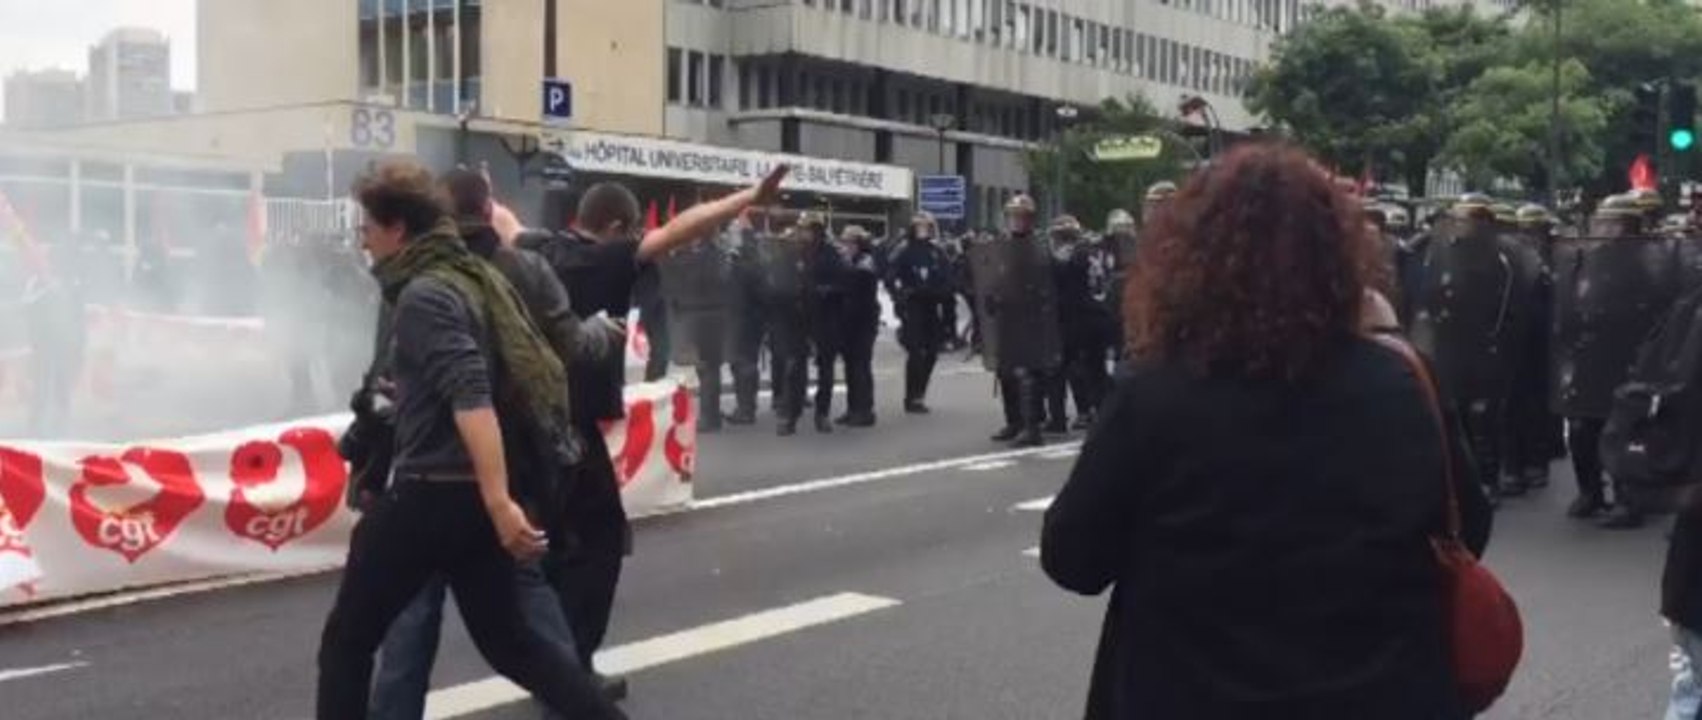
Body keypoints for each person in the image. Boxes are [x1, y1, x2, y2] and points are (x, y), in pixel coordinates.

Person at [1041, 143, 1491, 719]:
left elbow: (1074, 558)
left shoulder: (1155, 391)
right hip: (1379, 693)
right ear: (1338, 256)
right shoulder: (1403, 380)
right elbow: (1467, 528)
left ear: (1190, 259)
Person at [315, 160, 624, 720]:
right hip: (466, 502)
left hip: (433, 491)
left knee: (346, 641)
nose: (362, 240)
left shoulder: (424, 296)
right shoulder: (468, 279)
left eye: (368, 228)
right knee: (517, 647)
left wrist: (499, 501)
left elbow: (470, 394)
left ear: (398, 229)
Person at [519, 166, 787, 694]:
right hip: (569, 426)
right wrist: (749, 196)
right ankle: (570, 674)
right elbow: (686, 227)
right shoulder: (608, 257)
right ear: (618, 226)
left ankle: (548, 664)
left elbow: (500, 223)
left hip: (525, 418)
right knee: (598, 545)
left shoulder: (539, 250)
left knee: (549, 546)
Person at [976, 194, 1061, 448]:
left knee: (1027, 373)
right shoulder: (1000, 246)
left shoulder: (1041, 247)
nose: (1017, 221)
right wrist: (990, 295)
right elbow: (991, 276)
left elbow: (1050, 281)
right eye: (1013, 216)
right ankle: (1013, 422)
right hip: (1008, 317)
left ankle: (1031, 426)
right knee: (1006, 372)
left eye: (1022, 216)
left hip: (1033, 317)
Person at [1047, 214, 1114, 430]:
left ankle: (1067, 416)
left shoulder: (1072, 255)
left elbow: (1064, 283)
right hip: (1094, 315)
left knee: (1067, 368)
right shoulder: (1092, 251)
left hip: (1078, 317)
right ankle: (1096, 413)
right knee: (1091, 369)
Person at [887, 212, 953, 414]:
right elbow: (890, 277)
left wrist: (944, 293)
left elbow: (948, 277)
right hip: (913, 305)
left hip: (932, 305)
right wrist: (900, 296)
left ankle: (921, 392)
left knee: (932, 352)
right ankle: (912, 397)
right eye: (919, 227)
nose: (923, 231)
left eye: (927, 227)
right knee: (916, 352)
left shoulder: (937, 252)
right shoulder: (903, 250)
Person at [725, 214, 769, 426]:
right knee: (743, 363)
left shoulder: (745, 261)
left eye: (733, 232)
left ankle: (746, 409)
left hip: (745, 320)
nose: (729, 236)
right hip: (748, 319)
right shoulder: (752, 258)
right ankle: (746, 406)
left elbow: (747, 291)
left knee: (743, 363)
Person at [837, 224, 881, 427]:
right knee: (851, 367)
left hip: (863, 322)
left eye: (850, 242)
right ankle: (853, 408)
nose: (846, 246)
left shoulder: (865, 263)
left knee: (860, 366)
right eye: (845, 242)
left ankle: (864, 410)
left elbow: (858, 293)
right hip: (849, 322)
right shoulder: (851, 261)